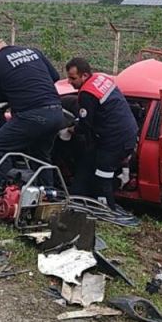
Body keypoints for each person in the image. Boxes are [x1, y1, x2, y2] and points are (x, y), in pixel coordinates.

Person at [0, 32, 62, 183]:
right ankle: (48, 193)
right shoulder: (33, 51)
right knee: (40, 155)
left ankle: (4, 191)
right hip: (56, 113)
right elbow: (55, 77)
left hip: (33, 115)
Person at [65, 57, 138, 209]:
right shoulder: (100, 78)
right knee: (87, 163)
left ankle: (105, 209)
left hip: (114, 140)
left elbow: (85, 125)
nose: (69, 82)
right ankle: (76, 197)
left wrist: (70, 130)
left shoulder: (87, 94)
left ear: (84, 76)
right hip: (127, 131)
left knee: (101, 176)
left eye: (73, 78)